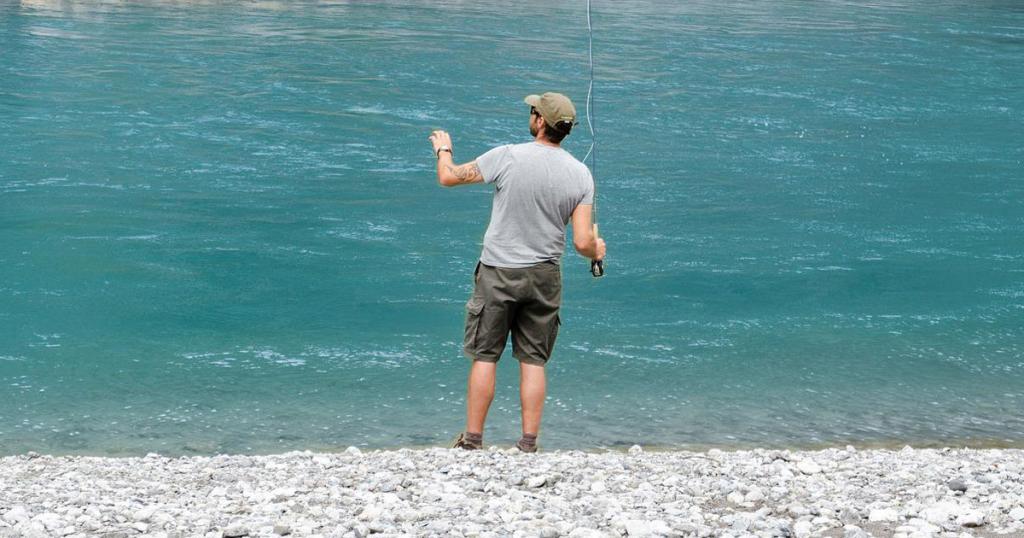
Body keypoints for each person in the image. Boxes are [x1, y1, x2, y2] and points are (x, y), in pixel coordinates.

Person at [428, 92, 607, 453]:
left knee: (485, 355)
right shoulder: (580, 174)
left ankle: (473, 440)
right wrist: (597, 250)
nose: (531, 114)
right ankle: (528, 443)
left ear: (541, 122)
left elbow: (449, 178)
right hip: (544, 276)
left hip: (498, 272)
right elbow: (583, 243)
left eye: (533, 111)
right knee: (534, 360)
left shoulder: (507, 156)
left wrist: (443, 149)